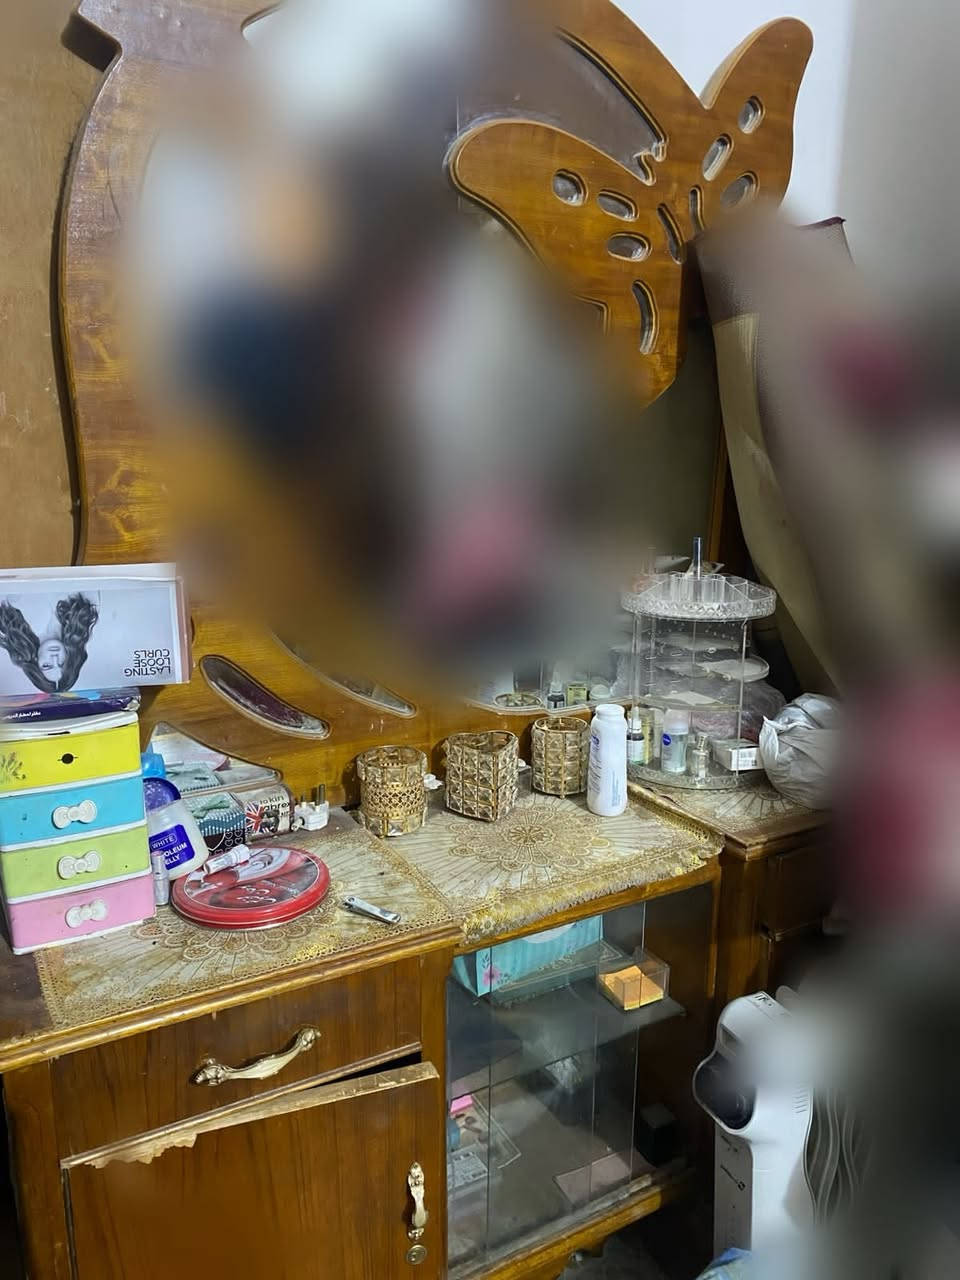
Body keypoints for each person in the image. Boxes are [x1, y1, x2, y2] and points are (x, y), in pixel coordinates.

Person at [0, 593, 99, 693]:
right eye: (62, 663)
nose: (54, 658)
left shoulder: (17, 624)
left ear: (35, 661)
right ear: (70, 658)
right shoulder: (85, 615)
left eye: (46, 665)